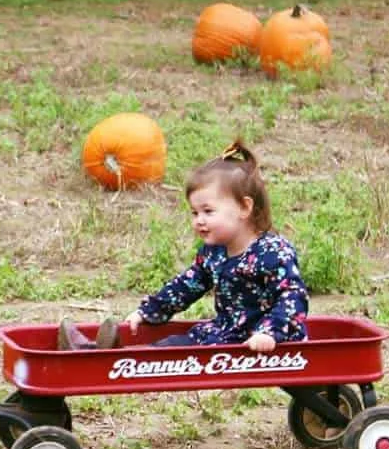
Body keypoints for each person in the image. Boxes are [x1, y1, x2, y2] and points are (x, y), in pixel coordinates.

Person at [60, 141, 308, 352]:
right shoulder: (216, 252)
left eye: (208, 211)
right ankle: (94, 352)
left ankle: (105, 356)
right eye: (194, 212)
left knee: (170, 351)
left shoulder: (273, 252)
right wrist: (149, 311)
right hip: (226, 335)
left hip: (265, 342)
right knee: (171, 346)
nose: (199, 220)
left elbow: (292, 296)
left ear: (244, 208)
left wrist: (270, 333)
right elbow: (185, 286)